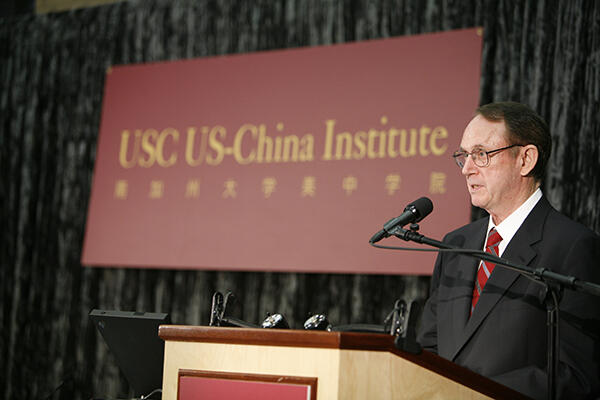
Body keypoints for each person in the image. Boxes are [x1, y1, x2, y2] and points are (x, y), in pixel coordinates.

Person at [417, 101, 600, 399]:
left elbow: (576, 375)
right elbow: (429, 346)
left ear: (526, 159)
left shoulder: (572, 246)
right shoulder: (456, 244)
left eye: (481, 154)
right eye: (463, 156)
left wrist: (476, 394)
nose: (466, 169)